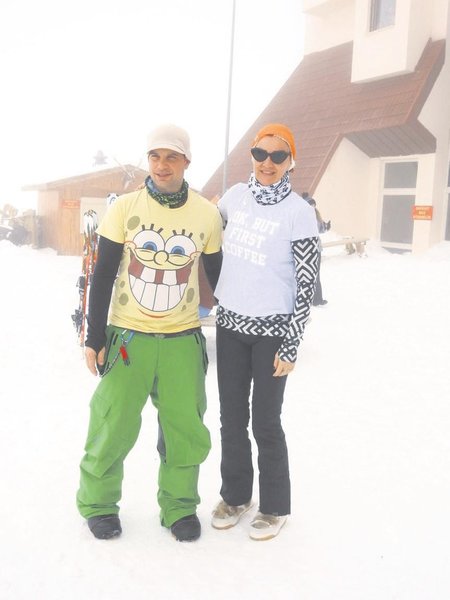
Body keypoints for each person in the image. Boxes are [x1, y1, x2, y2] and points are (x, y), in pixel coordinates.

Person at [76, 124, 223, 542]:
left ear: (186, 161)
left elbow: (218, 278)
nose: (162, 165)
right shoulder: (124, 208)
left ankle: (179, 507)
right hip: (128, 339)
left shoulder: (206, 214)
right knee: (113, 424)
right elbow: (103, 275)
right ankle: (99, 504)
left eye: (172, 157)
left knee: (184, 429)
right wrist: (94, 337)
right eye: (155, 156)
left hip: (182, 341)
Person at [210, 123, 320, 540]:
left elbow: (306, 281)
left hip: (272, 332)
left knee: (265, 422)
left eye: (277, 156)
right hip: (230, 327)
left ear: (291, 161)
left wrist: (291, 343)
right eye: (260, 154)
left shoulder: (298, 212)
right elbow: (203, 227)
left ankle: (274, 507)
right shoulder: (235, 197)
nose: (267, 163)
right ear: (252, 156)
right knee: (231, 418)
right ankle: (236, 496)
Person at [301, 192, 330, 306]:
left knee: (316, 274)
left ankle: (318, 299)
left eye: (314, 205)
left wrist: (326, 227)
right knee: (306, 275)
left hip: (316, 249)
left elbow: (320, 230)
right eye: (310, 205)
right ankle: (305, 299)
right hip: (305, 249)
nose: (313, 207)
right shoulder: (302, 218)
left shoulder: (316, 215)